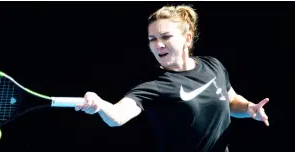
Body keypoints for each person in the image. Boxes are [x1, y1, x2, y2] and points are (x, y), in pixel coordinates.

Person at [75, 4, 269, 152]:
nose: (158, 44)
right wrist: (99, 104)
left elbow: (231, 101)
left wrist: (249, 108)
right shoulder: (154, 85)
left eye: (166, 37)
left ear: (187, 38)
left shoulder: (213, 66)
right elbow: (117, 116)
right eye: (152, 40)